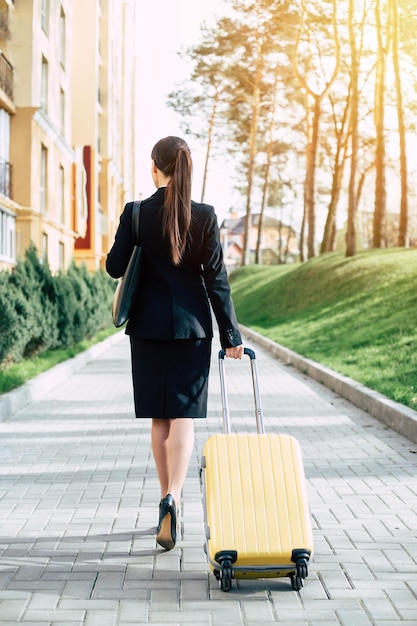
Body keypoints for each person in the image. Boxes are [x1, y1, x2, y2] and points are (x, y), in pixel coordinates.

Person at [106, 136, 243, 551]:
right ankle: (175, 497)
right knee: (182, 417)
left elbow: (115, 268)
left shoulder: (136, 213)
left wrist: (130, 239)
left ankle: (165, 498)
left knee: (159, 418)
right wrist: (231, 334)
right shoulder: (203, 215)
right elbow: (216, 279)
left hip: (146, 329)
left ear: (154, 168)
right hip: (192, 331)